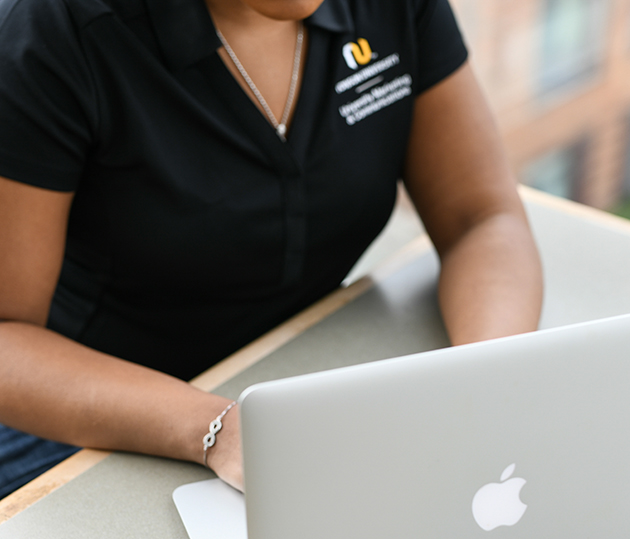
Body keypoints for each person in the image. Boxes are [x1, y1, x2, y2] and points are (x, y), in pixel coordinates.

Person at [0, 0, 542, 498]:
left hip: (306, 381)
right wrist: (219, 429)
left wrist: (486, 378)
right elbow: (7, 339)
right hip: (80, 420)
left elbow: (480, 217)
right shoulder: (49, 30)